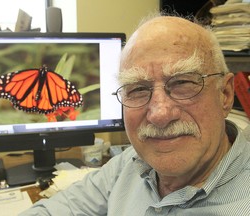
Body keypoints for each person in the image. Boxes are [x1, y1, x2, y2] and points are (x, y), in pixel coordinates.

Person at [20, 14, 250, 215]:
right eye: (138, 89)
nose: (159, 114)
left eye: (182, 82)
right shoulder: (130, 164)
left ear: (225, 95)